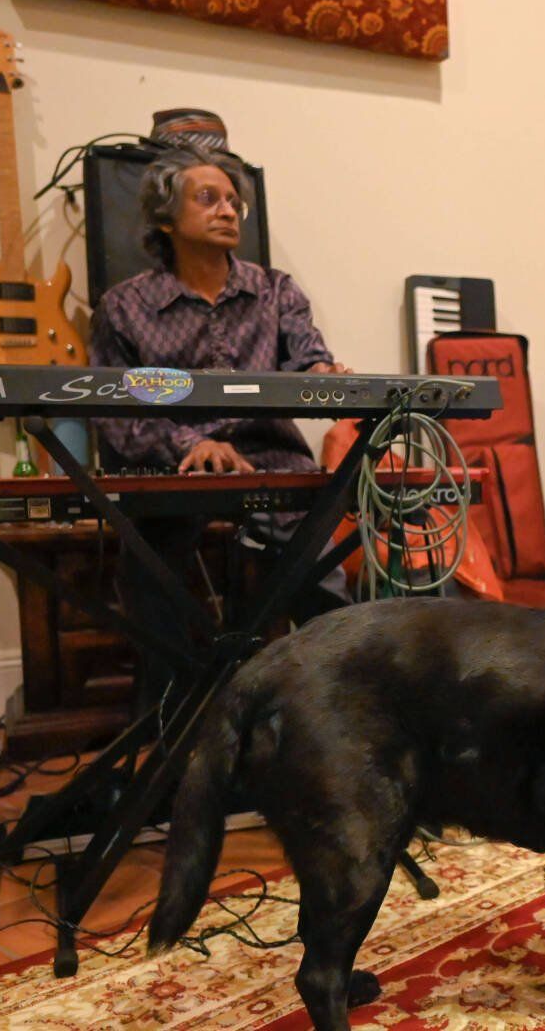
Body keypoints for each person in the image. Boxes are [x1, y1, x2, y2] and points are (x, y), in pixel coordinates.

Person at [88, 142, 353, 709]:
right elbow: (116, 413)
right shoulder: (123, 307)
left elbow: (309, 362)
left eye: (234, 201)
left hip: (272, 460)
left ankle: (339, 718)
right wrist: (193, 442)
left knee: (324, 580)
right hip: (174, 465)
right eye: (208, 198)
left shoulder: (276, 291)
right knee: (149, 579)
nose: (228, 210)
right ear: (165, 218)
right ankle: (171, 727)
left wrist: (323, 375)